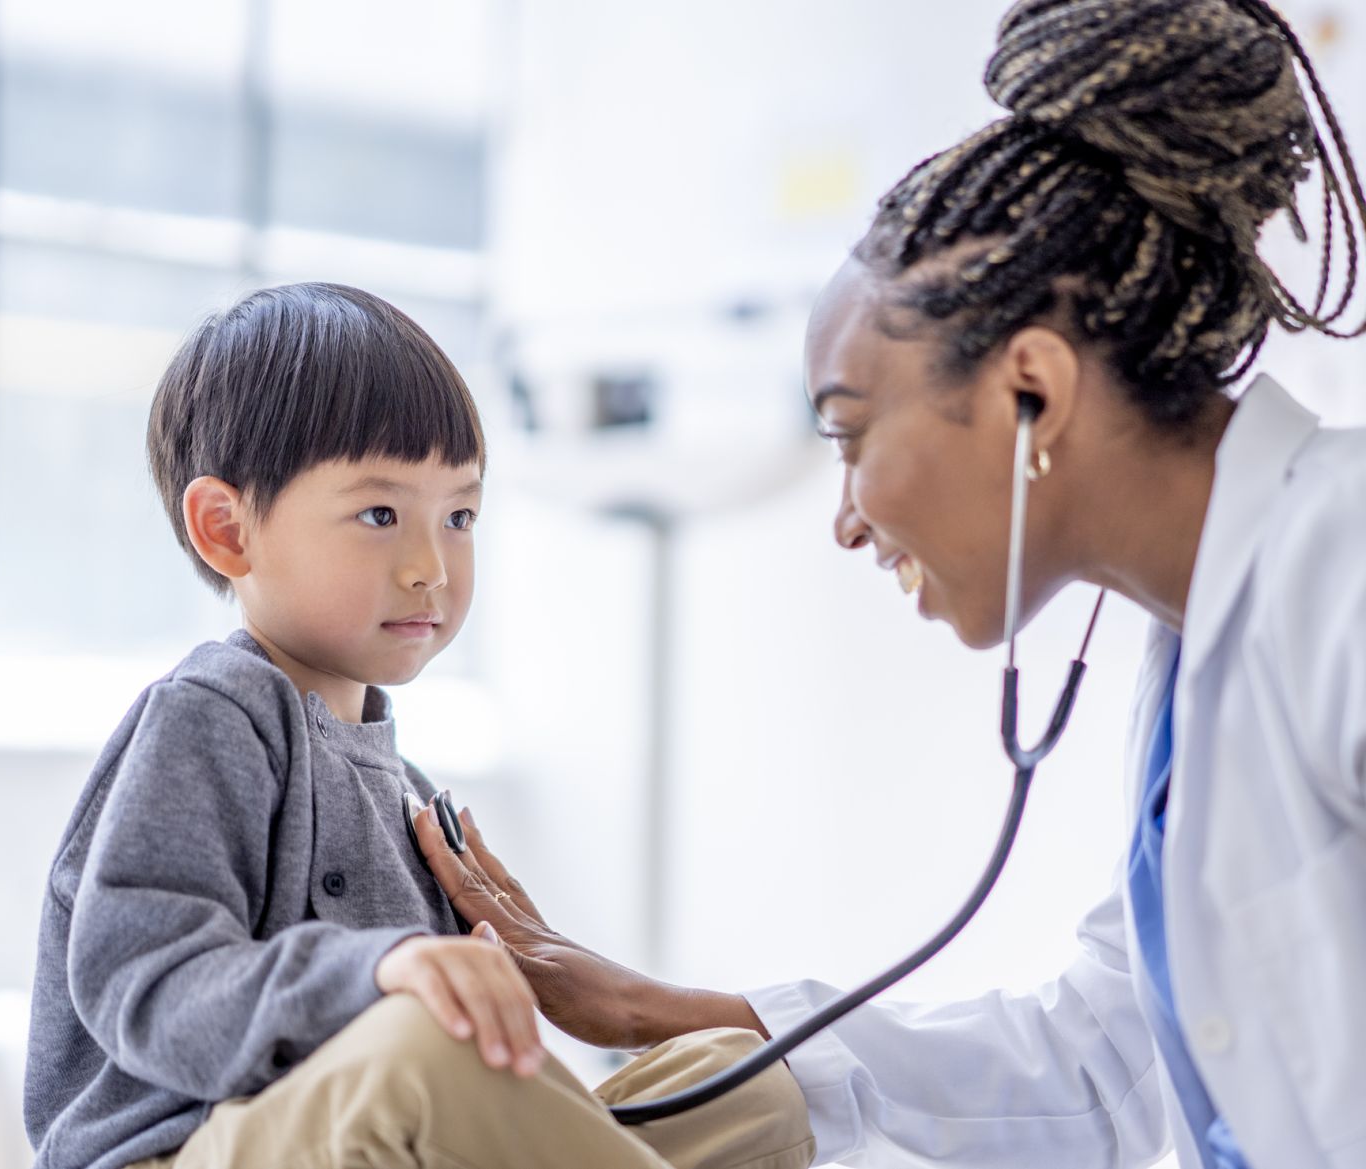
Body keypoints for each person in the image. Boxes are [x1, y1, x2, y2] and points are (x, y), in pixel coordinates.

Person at [413, 2, 1366, 1167]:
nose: (845, 518)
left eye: (850, 432)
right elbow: (1108, 1062)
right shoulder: (1197, 648)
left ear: (1031, 390)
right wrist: (656, 1009)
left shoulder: (1342, 562)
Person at [23, 282, 816, 1169]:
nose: (430, 566)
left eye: (460, 516)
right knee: (423, 1048)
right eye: (379, 514)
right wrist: (379, 972)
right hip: (187, 1153)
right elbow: (150, 984)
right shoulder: (211, 717)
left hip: (372, 1137)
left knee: (748, 1079)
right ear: (226, 528)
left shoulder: (413, 794)